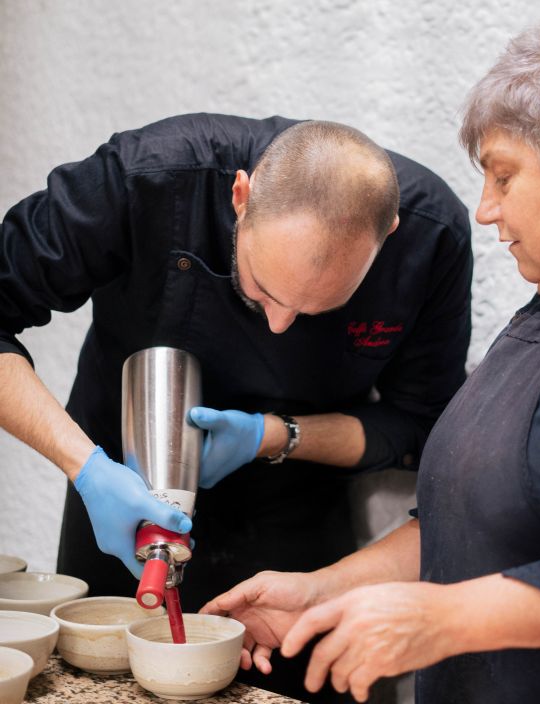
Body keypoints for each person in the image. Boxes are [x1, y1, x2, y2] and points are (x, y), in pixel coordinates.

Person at [200, 13, 540, 704]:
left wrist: (441, 618)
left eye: (503, 174)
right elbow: (472, 526)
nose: (485, 210)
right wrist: (321, 590)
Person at [0, 115, 472, 702]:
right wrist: (87, 470)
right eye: (263, 290)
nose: (279, 325)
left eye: (315, 310)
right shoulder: (146, 178)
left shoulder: (432, 238)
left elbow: (420, 426)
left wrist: (274, 435)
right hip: (123, 483)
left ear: (389, 234)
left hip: (291, 513)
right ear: (240, 197)